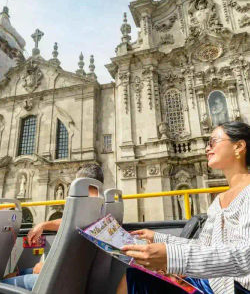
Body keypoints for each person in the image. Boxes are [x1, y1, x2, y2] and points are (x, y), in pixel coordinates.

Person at [119, 121, 250, 294]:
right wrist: (158, 238)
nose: (207, 148)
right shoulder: (219, 200)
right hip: (213, 283)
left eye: (212, 142)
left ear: (239, 146)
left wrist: (172, 257)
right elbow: (203, 245)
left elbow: (245, 258)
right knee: (134, 275)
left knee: (136, 280)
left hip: (237, 289)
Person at [1, 162, 104, 291]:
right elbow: (70, 221)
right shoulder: (98, 211)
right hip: (71, 275)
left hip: (60, 278)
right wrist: (44, 225)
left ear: (81, 184)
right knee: (18, 273)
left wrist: (45, 266)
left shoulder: (84, 209)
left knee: (4, 283)